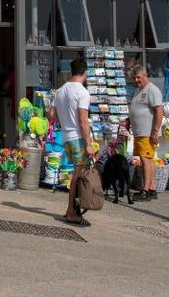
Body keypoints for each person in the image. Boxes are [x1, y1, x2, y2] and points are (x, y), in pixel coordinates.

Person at [50, 58, 95, 226]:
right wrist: (89, 144)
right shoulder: (82, 92)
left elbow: (52, 116)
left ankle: (72, 209)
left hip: (66, 136)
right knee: (78, 175)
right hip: (77, 137)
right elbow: (84, 121)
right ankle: (71, 211)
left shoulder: (60, 91)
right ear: (85, 72)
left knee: (76, 174)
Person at [129, 64, 163, 201]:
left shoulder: (152, 90)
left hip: (147, 132)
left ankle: (145, 190)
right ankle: (152, 188)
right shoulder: (139, 90)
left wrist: (155, 131)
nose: (136, 80)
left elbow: (159, 111)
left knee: (145, 160)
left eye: (139, 77)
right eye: (134, 78)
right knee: (147, 160)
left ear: (145, 76)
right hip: (139, 132)